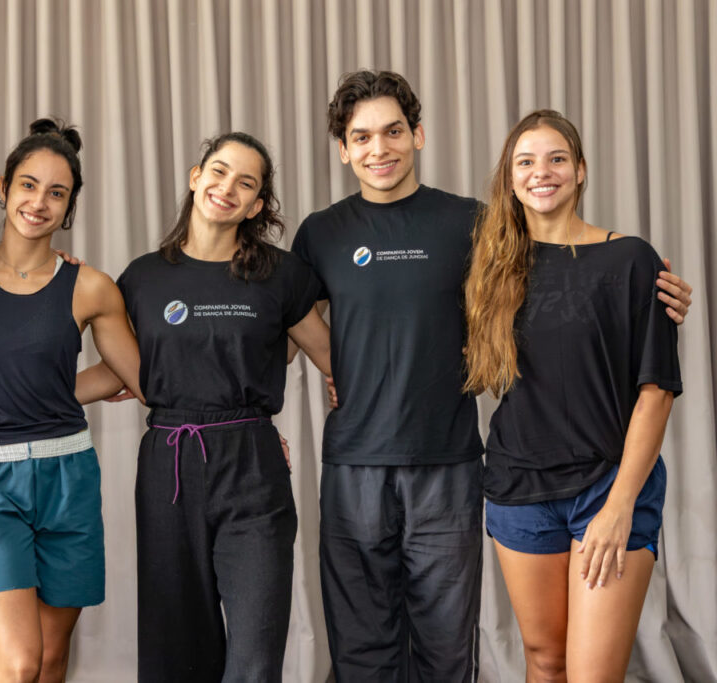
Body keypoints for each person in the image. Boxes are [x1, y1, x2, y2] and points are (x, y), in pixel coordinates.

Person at [290, 70, 694, 682]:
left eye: (393, 131)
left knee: (449, 648)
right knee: (371, 650)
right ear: (344, 149)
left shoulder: (475, 226)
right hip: (371, 463)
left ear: (418, 134)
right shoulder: (321, 232)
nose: (379, 148)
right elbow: (282, 313)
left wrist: (656, 294)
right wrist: (337, 365)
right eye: (362, 137)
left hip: (454, 461)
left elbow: (568, 273)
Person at [464, 109, 680, 682]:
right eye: (526, 162)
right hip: (518, 488)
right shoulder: (492, 269)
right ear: (510, 178)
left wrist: (619, 505)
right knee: (545, 661)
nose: (542, 172)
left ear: (580, 170)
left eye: (556, 158)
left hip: (608, 486)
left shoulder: (630, 259)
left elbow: (657, 391)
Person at [111, 132, 331, 682]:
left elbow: (333, 356)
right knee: (176, 648)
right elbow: (124, 367)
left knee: (255, 652)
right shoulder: (142, 277)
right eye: (219, 171)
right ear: (196, 177)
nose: (227, 187)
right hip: (169, 464)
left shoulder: (280, 273)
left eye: (246, 182)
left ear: (256, 205)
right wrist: (41, 395)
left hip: (252, 462)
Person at [0, 119, 144, 683]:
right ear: (3, 186)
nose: (39, 202)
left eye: (57, 193)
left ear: (70, 206)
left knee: (52, 660)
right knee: (20, 662)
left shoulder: (90, 286)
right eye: (28, 185)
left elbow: (140, 377)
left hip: (69, 476)